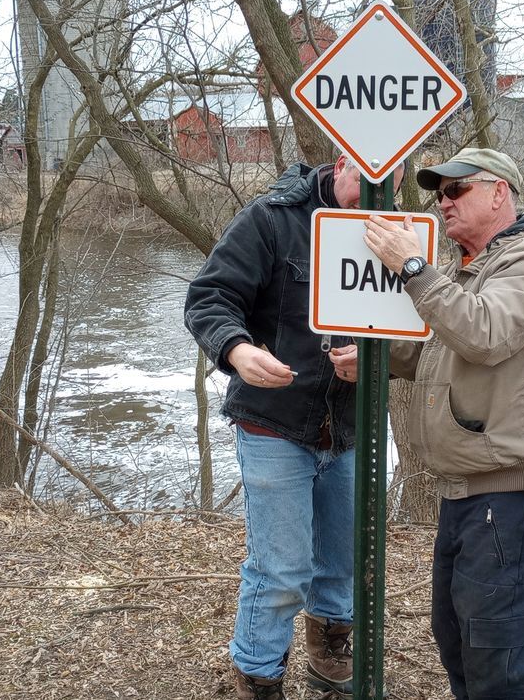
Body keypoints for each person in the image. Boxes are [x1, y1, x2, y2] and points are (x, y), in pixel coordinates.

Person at [184, 155, 403, 700]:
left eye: (389, 185)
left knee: (346, 560)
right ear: (341, 163)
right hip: (274, 421)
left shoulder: (400, 235)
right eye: (365, 183)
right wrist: (237, 350)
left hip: (351, 427)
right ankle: (259, 675)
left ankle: (329, 653)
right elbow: (209, 297)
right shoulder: (271, 218)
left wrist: (379, 358)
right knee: (281, 568)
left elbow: (413, 323)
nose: (374, 198)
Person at [363, 148, 524, 699]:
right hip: (467, 486)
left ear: (499, 192)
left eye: (457, 190)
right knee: (458, 637)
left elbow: (484, 335)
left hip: (509, 487)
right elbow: (444, 351)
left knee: (497, 654)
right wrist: (372, 358)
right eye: (440, 193)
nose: (444, 202)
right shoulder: (476, 268)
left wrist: (415, 269)